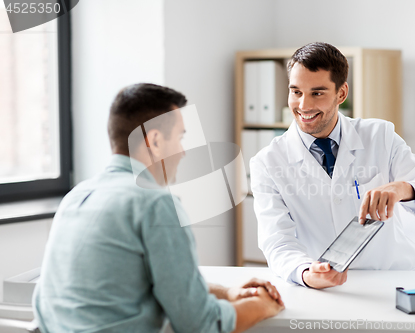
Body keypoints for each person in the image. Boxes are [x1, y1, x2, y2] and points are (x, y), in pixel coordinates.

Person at [33, 83, 284, 333]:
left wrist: (228, 292)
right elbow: (200, 325)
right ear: (154, 140)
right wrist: (262, 306)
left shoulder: (76, 197)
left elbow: (150, 282)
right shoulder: (155, 204)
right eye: (180, 137)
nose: (183, 152)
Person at [250, 42, 415, 290]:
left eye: (317, 93)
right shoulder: (267, 162)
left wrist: (402, 189)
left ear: (341, 93)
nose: (303, 105)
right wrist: (306, 272)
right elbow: (277, 241)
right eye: (296, 92)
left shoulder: (379, 135)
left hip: (394, 280)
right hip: (327, 288)